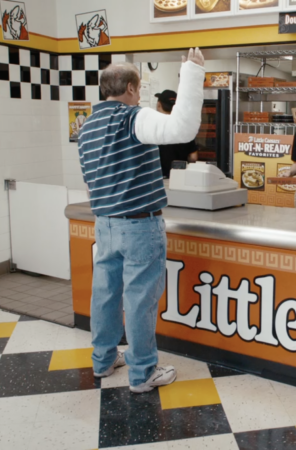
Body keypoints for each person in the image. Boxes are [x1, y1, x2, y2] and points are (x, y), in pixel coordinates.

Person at [77, 49, 206, 394]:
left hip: (104, 224)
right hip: (139, 226)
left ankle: (103, 361)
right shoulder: (132, 118)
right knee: (139, 300)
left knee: (105, 295)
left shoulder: (87, 127)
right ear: (132, 88)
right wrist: (192, 73)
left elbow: (90, 183)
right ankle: (143, 373)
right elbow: (182, 128)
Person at [155, 90, 199, 178]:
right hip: (180, 177)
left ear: (159, 105)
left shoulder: (153, 127)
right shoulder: (185, 127)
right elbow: (193, 157)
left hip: (159, 178)